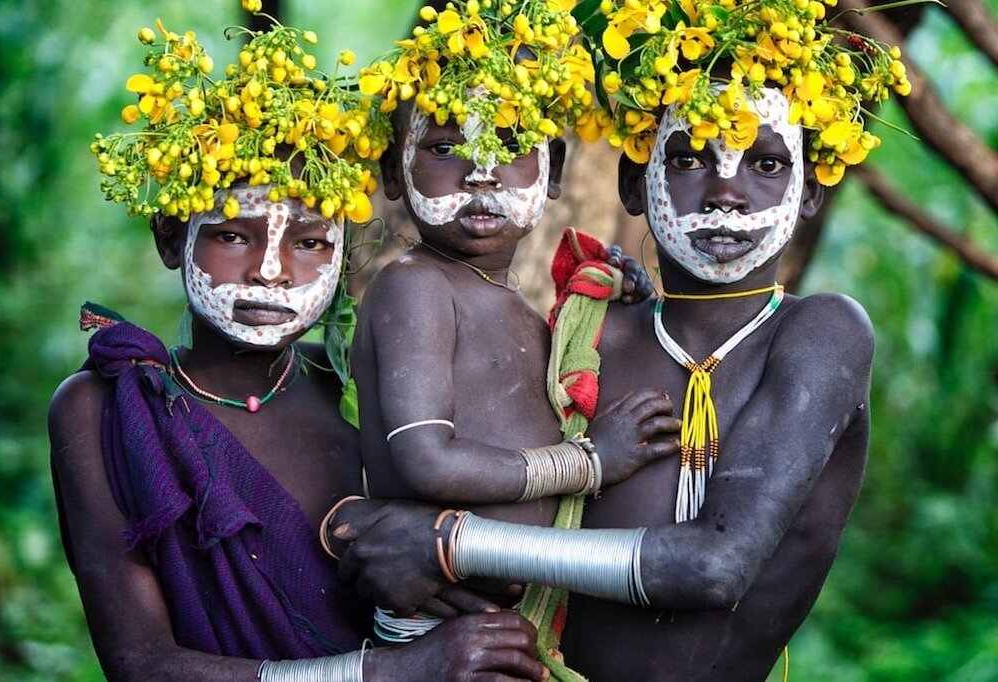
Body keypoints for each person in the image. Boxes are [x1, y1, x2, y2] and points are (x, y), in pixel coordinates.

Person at [327, 2, 915, 679]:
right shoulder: (587, 331)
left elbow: (714, 568)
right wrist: (363, 523)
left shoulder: (822, 335)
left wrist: (448, 545)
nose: (726, 192)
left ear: (812, 188)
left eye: (766, 163)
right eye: (690, 158)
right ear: (635, 183)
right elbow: (427, 431)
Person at [49, 10, 545, 681]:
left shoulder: (356, 387)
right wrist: (393, 672)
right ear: (171, 237)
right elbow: (141, 664)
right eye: (233, 234)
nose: (271, 270)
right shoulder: (105, 408)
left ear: (342, 256)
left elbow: (454, 571)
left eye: (309, 242)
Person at [350, 0, 680, 650]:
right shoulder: (414, 286)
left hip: (508, 626)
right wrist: (589, 464)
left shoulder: (521, 314)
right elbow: (425, 461)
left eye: (507, 145)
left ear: (552, 172)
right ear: (394, 170)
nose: (479, 170)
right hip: (433, 631)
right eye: (446, 147)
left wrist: (616, 310)